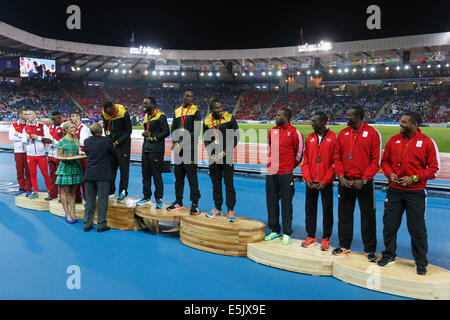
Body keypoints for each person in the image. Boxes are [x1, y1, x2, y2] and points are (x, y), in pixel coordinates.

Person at [378, 112, 440, 275]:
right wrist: (390, 173)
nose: (401, 124)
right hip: (394, 191)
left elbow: (434, 168)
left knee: (417, 229)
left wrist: (414, 178)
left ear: (414, 125)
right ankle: (389, 255)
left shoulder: (427, 142)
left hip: (415, 192)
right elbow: (384, 161)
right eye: (401, 121)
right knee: (389, 225)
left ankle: (421, 262)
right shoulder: (393, 140)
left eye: (404, 122)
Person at [332, 106, 382, 262]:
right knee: (344, 215)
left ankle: (370, 249)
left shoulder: (373, 134)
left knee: (368, 216)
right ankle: (344, 245)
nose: (346, 116)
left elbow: (376, 161)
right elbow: (336, 157)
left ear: (359, 117)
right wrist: (340, 177)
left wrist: (364, 179)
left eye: (349, 114)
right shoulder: (342, 133)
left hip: (364, 183)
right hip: (345, 182)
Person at [264, 108, 303, 245]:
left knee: (286, 203)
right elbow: (269, 148)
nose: (276, 117)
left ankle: (287, 232)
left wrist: (288, 167)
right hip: (271, 172)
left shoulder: (294, 132)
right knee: (271, 202)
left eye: (279, 115)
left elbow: (299, 153)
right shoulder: (272, 131)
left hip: (286, 173)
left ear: (286, 117)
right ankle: (275, 230)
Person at [301, 112, 337, 251]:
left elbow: (335, 162)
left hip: (325, 183)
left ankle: (326, 238)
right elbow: (306, 161)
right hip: (311, 181)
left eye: (314, 121)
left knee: (327, 210)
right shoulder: (309, 138)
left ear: (322, 122)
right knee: (310, 209)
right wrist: (307, 178)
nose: (311, 123)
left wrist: (325, 180)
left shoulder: (334, 138)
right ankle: (311, 236)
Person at [203, 99, 240, 222]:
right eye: (216, 108)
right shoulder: (207, 121)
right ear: (211, 109)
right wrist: (211, 153)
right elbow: (206, 138)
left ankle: (230, 210)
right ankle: (217, 208)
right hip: (213, 157)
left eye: (220, 107)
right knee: (216, 184)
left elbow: (235, 137)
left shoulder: (229, 118)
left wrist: (224, 152)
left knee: (229, 184)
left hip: (227, 155)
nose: (219, 110)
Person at [167, 89, 202, 215]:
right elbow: (174, 129)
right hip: (178, 149)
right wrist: (175, 142)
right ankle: (178, 201)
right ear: (182, 96)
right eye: (187, 96)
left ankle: (195, 203)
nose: (190, 98)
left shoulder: (196, 111)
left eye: (192, 96)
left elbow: (196, 132)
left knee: (192, 176)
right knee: (178, 176)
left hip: (190, 149)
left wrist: (181, 144)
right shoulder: (177, 111)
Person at [136, 97, 170, 208]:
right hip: (145, 149)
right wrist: (144, 134)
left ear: (153, 104)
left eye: (146, 103)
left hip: (156, 150)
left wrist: (154, 139)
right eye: (143, 103)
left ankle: (158, 199)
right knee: (145, 175)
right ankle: (146, 197)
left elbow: (166, 132)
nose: (143, 105)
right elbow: (149, 132)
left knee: (156, 175)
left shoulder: (161, 115)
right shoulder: (146, 116)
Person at [83, 123, 115, 232]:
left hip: (90, 174)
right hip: (103, 174)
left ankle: (87, 223)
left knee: (89, 200)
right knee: (103, 200)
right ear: (101, 131)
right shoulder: (107, 141)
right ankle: (101, 224)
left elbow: (87, 153)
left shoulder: (87, 142)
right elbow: (113, 153)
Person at [102, 101, 132, 202]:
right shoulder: (105, 113)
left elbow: (129, 131)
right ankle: (110, 191)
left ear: (113, 107)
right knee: (111, 169)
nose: (108, 115)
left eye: (110, 113)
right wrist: (108, 140)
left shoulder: (123, 113)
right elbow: (105, 128)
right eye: (107, 113)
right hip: (111, 144)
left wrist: (118, 142)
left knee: (124, 170)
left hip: (123, 145)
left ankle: (123, 192)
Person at [55, 121, 83, 224]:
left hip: (75, 167)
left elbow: (79, 153)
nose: (73, 130)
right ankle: (67, 214)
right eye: (71, 128)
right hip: (65, 168)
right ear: (66, 129)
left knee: (72, 191)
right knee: (64, 192)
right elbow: (59, 156)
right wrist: (67, 158)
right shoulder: (62, 141)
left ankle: (73, 214)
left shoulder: (76, 140)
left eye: (74, 128)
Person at [21, 109, 53, 199]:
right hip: (30, 155)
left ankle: (50, 191)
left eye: (30, 114)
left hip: (41, 154)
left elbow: (49, 139)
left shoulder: (43, 126)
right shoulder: (25, 128)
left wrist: (38, 137)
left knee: (45, 173)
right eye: (26, 114)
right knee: (32, 174)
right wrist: (26, 139)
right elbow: (23, 141)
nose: (28, 116)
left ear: (35, 115)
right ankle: (35, 191)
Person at [9, 107, 32, 196]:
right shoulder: (13, 125)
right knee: (19, 170)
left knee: (28, 171)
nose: (27, 115)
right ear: (20, 115)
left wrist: (18, 135)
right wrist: (24, 137)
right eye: (25, 114)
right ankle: (21, 188)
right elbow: (11, 138)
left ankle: (28, 189)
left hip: (28, 151)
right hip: (18, 151)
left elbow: (31, 137)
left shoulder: (30, 125)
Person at [71, 112, 92, 203]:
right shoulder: (73, 128)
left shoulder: (83, 128)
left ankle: (87, 199)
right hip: (75, 155)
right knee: (76, 177)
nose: (71, 118)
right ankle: (77, 198)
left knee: (84, 178)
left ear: (78, 117)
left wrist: (71, 141)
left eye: (73, 116)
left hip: (82, 156)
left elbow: (83, 142)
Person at [47, 111, 64, 200]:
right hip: (50, 154)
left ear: (60, 118)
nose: (53, 121)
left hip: (59, 155)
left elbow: (64, 142)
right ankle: (53, 194)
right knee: (52, 175)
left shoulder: (64, 127)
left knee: (60, 176)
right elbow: (48, 138)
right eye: (52, 119)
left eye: (55, 119)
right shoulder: (50, 128)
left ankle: (62, 196)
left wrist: (53, 142)